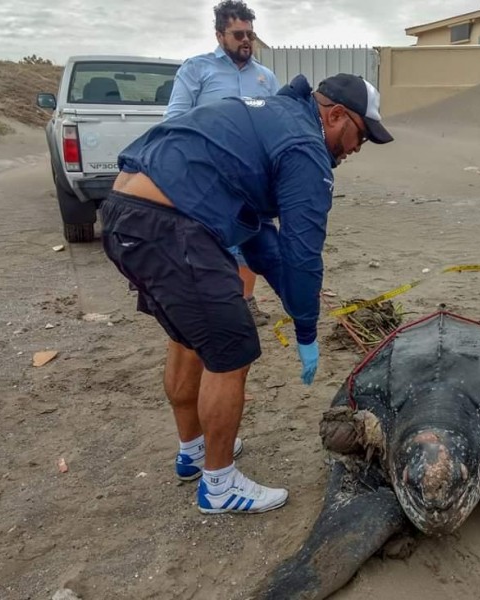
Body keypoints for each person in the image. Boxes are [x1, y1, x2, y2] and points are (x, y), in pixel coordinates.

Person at [100, 73, 394, 513]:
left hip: (123, 215)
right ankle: (219, 486)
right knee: (232, 350)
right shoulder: (305, 147)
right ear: (335, 115)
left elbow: (262, 243)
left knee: (190, 337)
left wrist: (300, 314)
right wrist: (307, 329)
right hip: (170, 225)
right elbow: (301, 254)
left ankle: (194, 452)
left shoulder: (274, 116)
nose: (355, 148)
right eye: (360, 136)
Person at [166, 0, 281, 326]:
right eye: (238, 34)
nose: (246, 40)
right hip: (209, 174)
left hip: (251, 176)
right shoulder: (197, 69)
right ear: (220, 36)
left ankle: (245, 302)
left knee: (249, 235)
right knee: (212, 239)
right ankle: (216, 302)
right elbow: (175, 118)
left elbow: (274, 124)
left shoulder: (266, 78)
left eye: (250, 34)